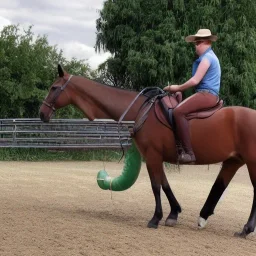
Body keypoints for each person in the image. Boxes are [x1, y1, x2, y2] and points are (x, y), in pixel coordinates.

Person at [164, 29, 221, 164]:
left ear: (208, 42)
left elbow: (195, 80)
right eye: (195, 43)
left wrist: (176, 87)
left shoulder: (207, 58)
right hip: (205, 93)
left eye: (199, 43)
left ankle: (189, 153)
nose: (196, 46)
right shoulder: (209, 57)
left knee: (178, 111)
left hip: (207, 94)